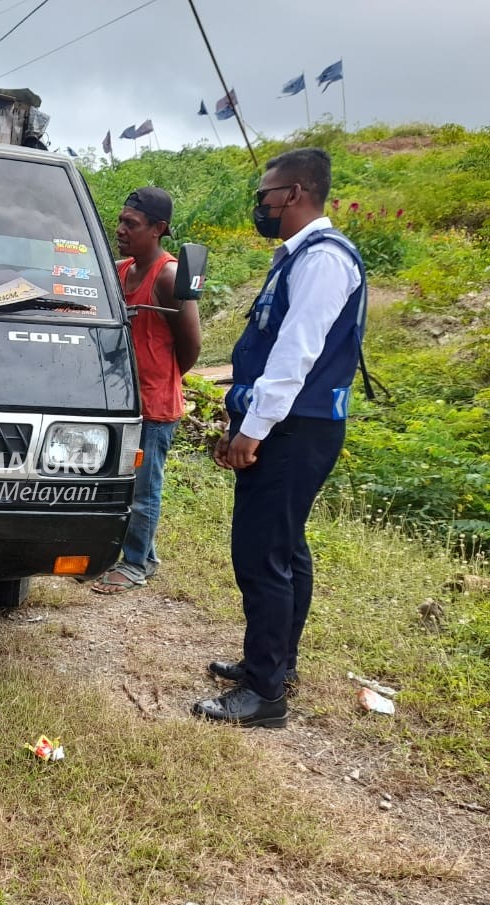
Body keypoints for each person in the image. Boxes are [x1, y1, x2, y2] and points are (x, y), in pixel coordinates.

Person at [193, 148, 366, 728]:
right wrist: (240, 419)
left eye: (266, 194)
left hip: (295, 428)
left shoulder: (322, 261)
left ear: (294, 193)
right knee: (286, 548)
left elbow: (294, 358)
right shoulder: (297, 258)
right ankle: (272, 662)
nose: (260, 204)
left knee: (262, 556)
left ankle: (265, 694)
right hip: (290, 424)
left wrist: (253, 430)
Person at [92, 187, 201, 594]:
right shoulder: (121, 271)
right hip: (122, 400)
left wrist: (162, 377)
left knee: (144, 488)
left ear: (158, 229)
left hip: (153, 403)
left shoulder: (168, 276)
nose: (120, 229)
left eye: (131, 224)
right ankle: (142, 554)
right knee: (121, 482)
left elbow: (190, 346)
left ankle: (136, 563)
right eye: (120, 221)